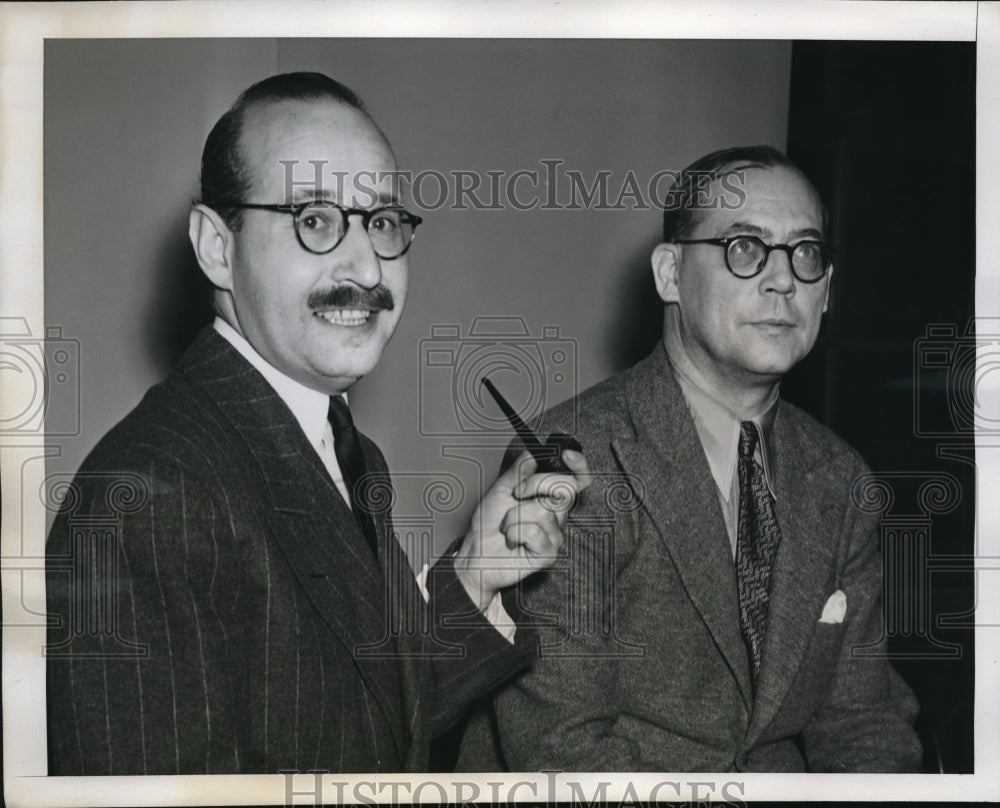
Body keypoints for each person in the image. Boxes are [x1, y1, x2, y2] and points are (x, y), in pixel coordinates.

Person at [45, 72, 588, 775]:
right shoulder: (150, 499)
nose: (366, 265)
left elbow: (363, 726)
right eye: (314, 219)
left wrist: (478, 576)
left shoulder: (340, 446)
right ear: (217, 246)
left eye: (383, 222)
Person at [457, 145, 922, 772]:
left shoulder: (841, 479)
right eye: (745, 248)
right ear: (670, 274)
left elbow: (866, 726)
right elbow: (564, 751)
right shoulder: (572, 457)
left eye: (806, 254)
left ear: (828, 291)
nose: (784, 279)